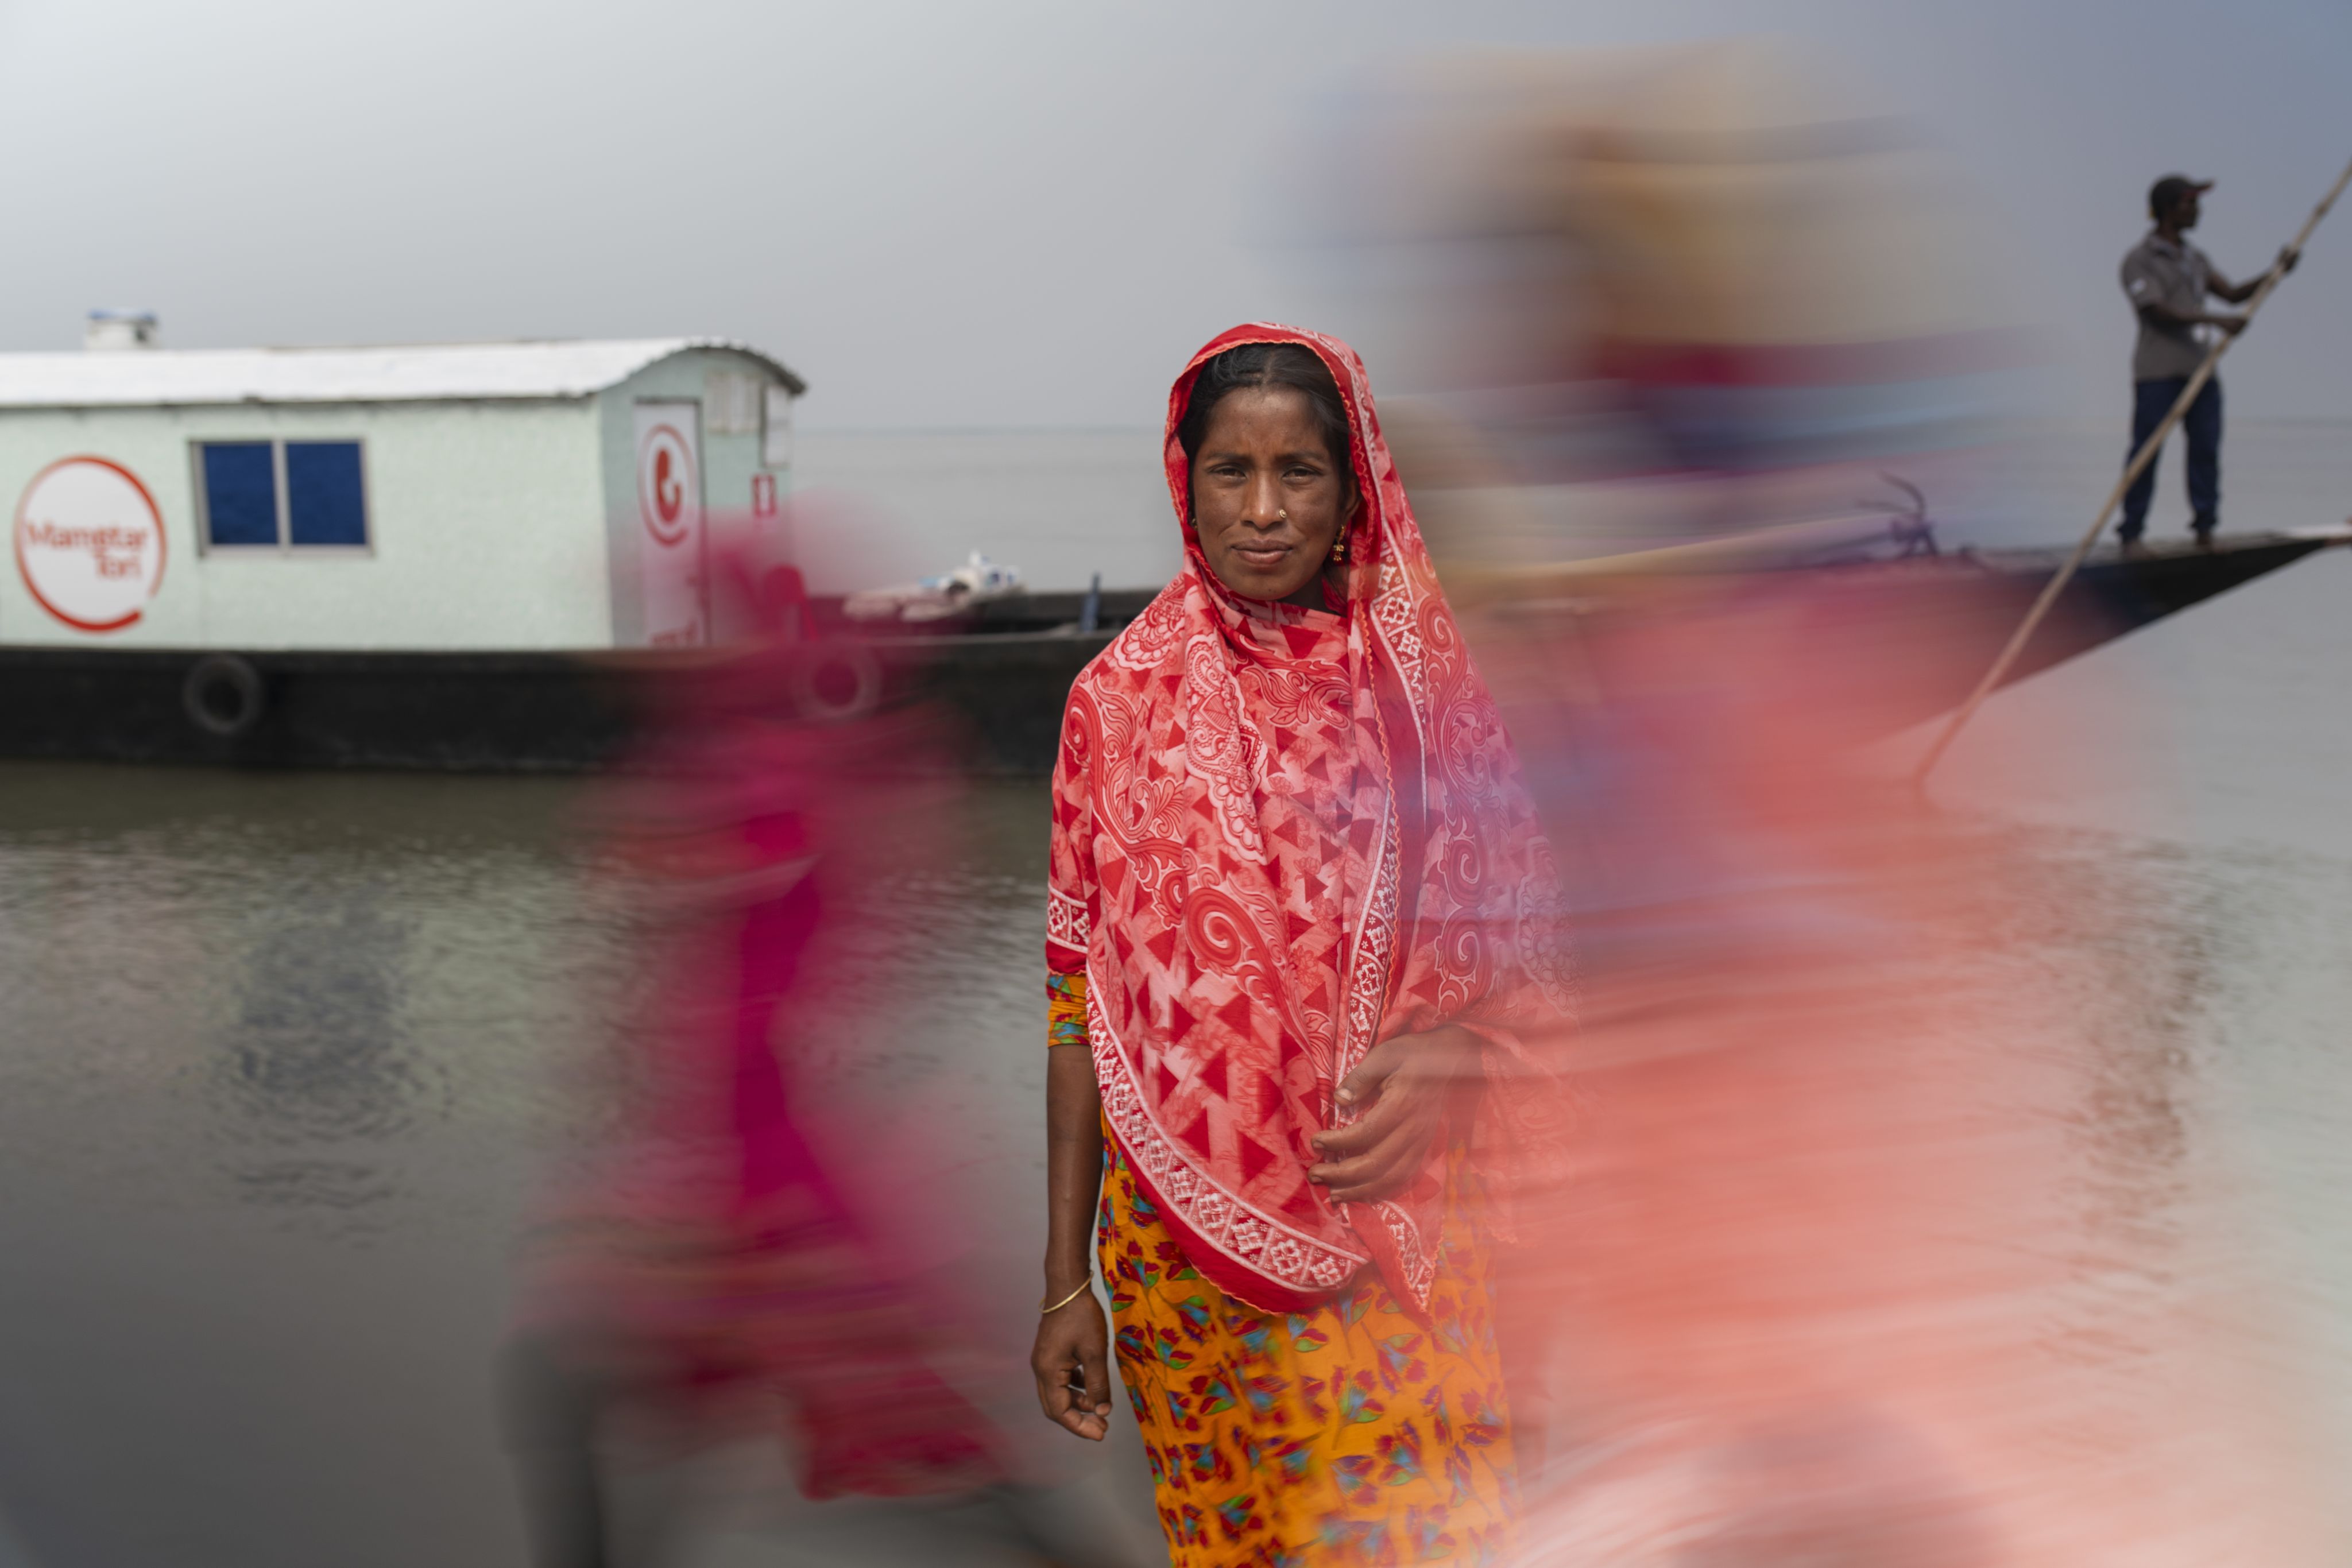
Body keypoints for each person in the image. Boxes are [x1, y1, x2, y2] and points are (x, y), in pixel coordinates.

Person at [1027, 324, 1575, 1566]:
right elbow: (1077, 1008)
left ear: (1351, 494)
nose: (1263, 511)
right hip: (1183, 1275)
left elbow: (1537, 962)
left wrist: (1465, 1055)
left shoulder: (1430, 702)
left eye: (1299, 475)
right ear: (1185, 480)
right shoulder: (1112, 705)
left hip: (1404, 1241)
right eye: (1231, 472)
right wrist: (1067, 1283)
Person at [2117, 173, 2295, 548]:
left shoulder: (2194, 258)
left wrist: (2277, 271)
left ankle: (2205, 528)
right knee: (2146, 452)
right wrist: (2214, 321)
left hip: (2200, 372)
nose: (2197, 211)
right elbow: (2155, 312)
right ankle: (2131, 532)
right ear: (2168, 209)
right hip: (2158, 374)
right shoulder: (2140, 260)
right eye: (2190, 203)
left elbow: (2231, 294)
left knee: (2205, 450)